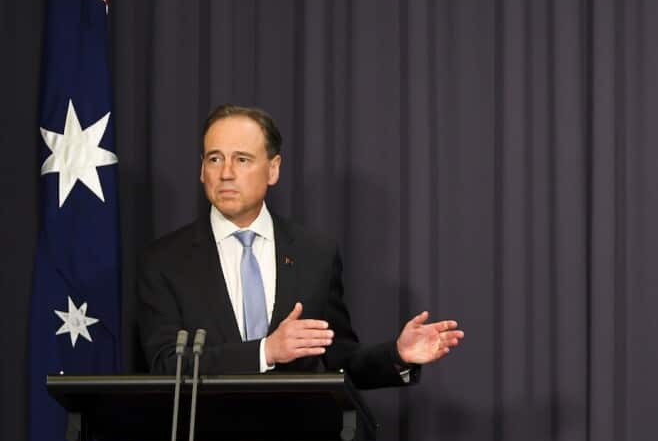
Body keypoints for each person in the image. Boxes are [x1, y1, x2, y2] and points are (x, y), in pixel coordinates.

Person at [137, 104, 463, 388]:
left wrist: (397, 355)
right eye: (215, 158)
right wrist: (265, 351)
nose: (226, 173)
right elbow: (165, 366)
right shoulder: (165, 260)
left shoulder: (315, 254)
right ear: (202, 170)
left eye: (242, 159)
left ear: (273, 169)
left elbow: (338, 359)